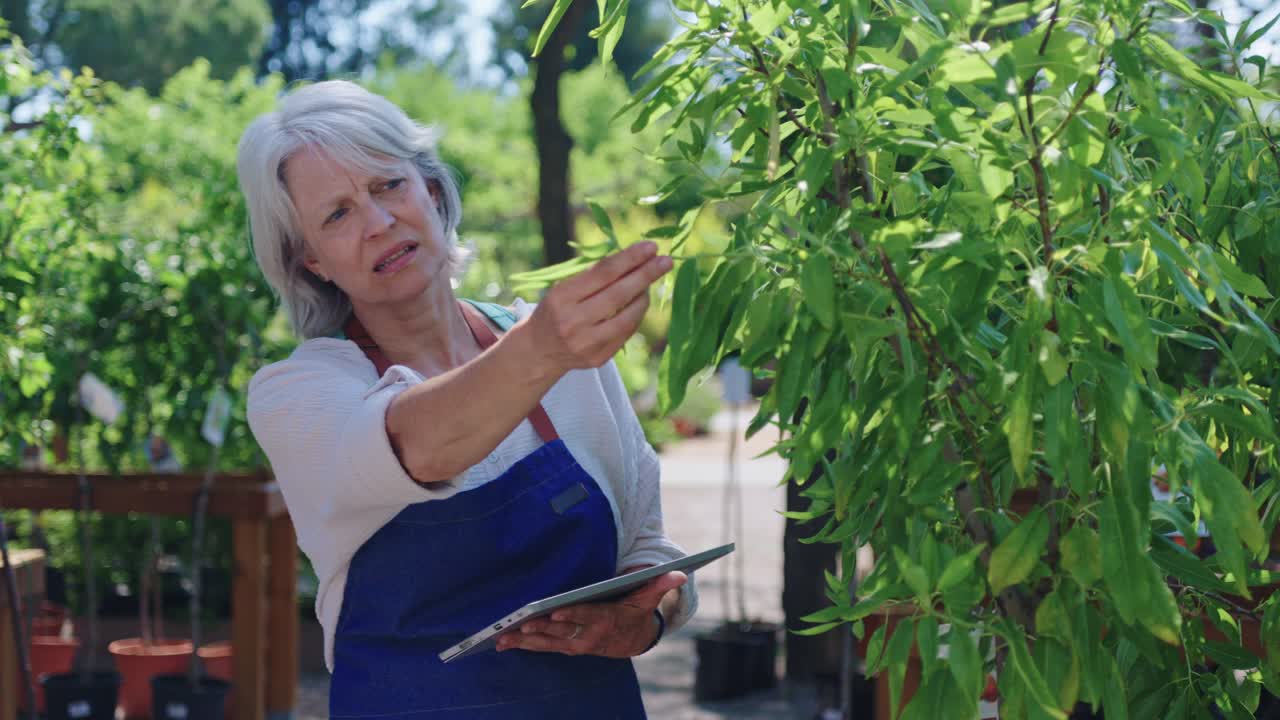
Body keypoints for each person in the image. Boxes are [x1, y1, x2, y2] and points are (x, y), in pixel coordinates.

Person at [237, 80, 697, 719]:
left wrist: (641, 625)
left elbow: (649, 543)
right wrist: (544, 349)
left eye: (387, 186)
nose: (377, 223)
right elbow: (416, 445)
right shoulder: (300, 394)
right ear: (310, 261)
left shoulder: (565, 356)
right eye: (337, 214)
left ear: (430, 188)